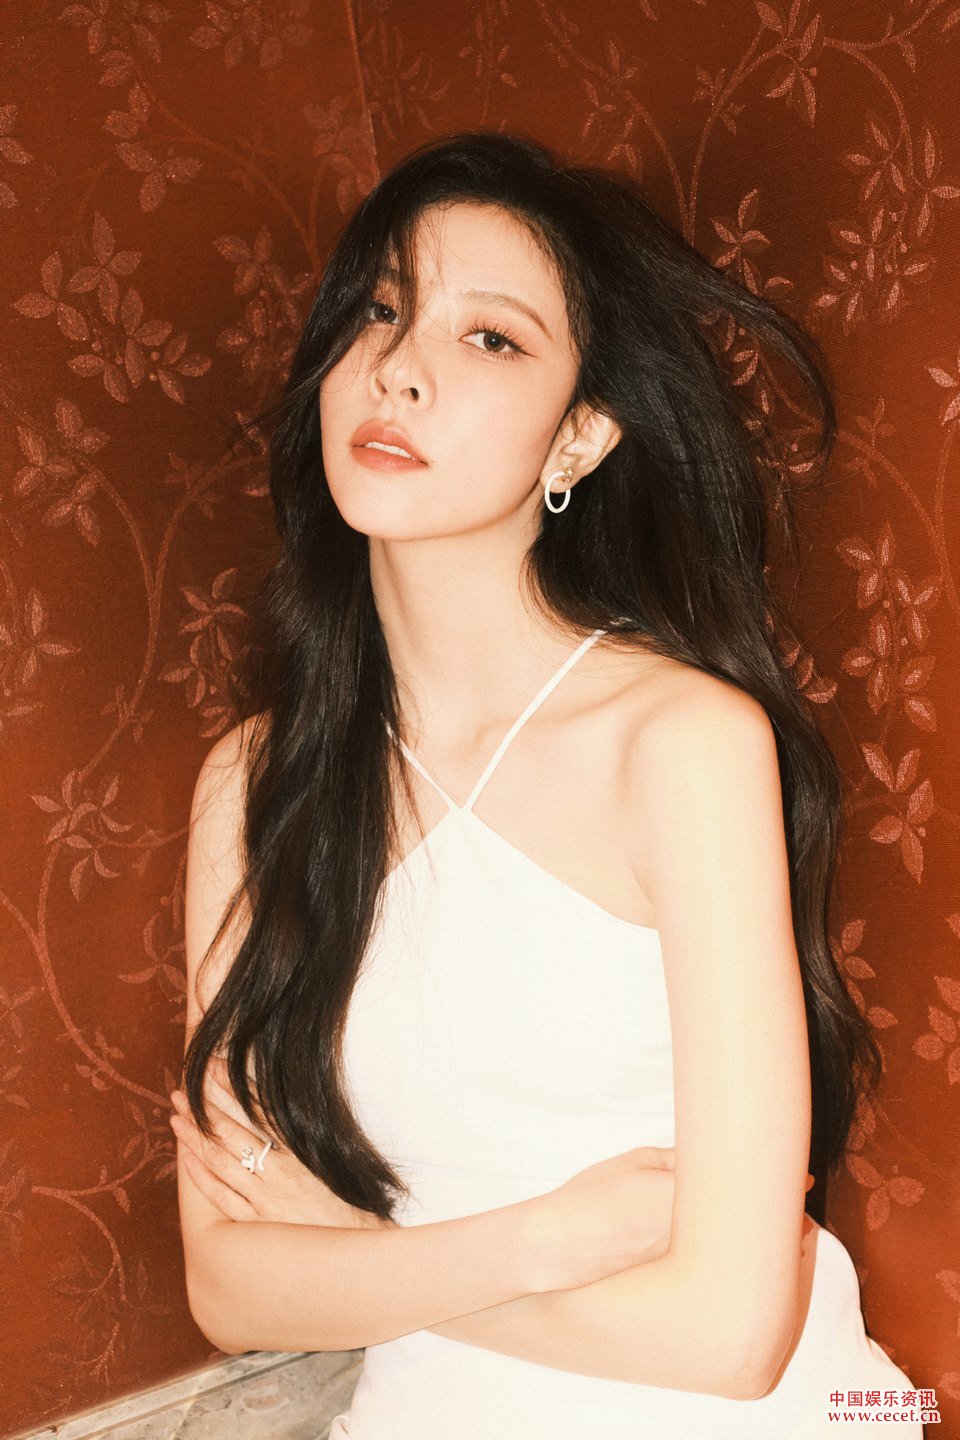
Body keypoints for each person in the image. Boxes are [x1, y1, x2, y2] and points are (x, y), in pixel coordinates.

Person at [169, 131, 925, 1438]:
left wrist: (362, 1260)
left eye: (490, 338)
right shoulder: (254, 784)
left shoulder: (680, 743)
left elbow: (734, 1337)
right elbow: (230, 1285)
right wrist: (546, 1238)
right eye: (382, 311)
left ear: (579, 437)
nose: (400, 369)